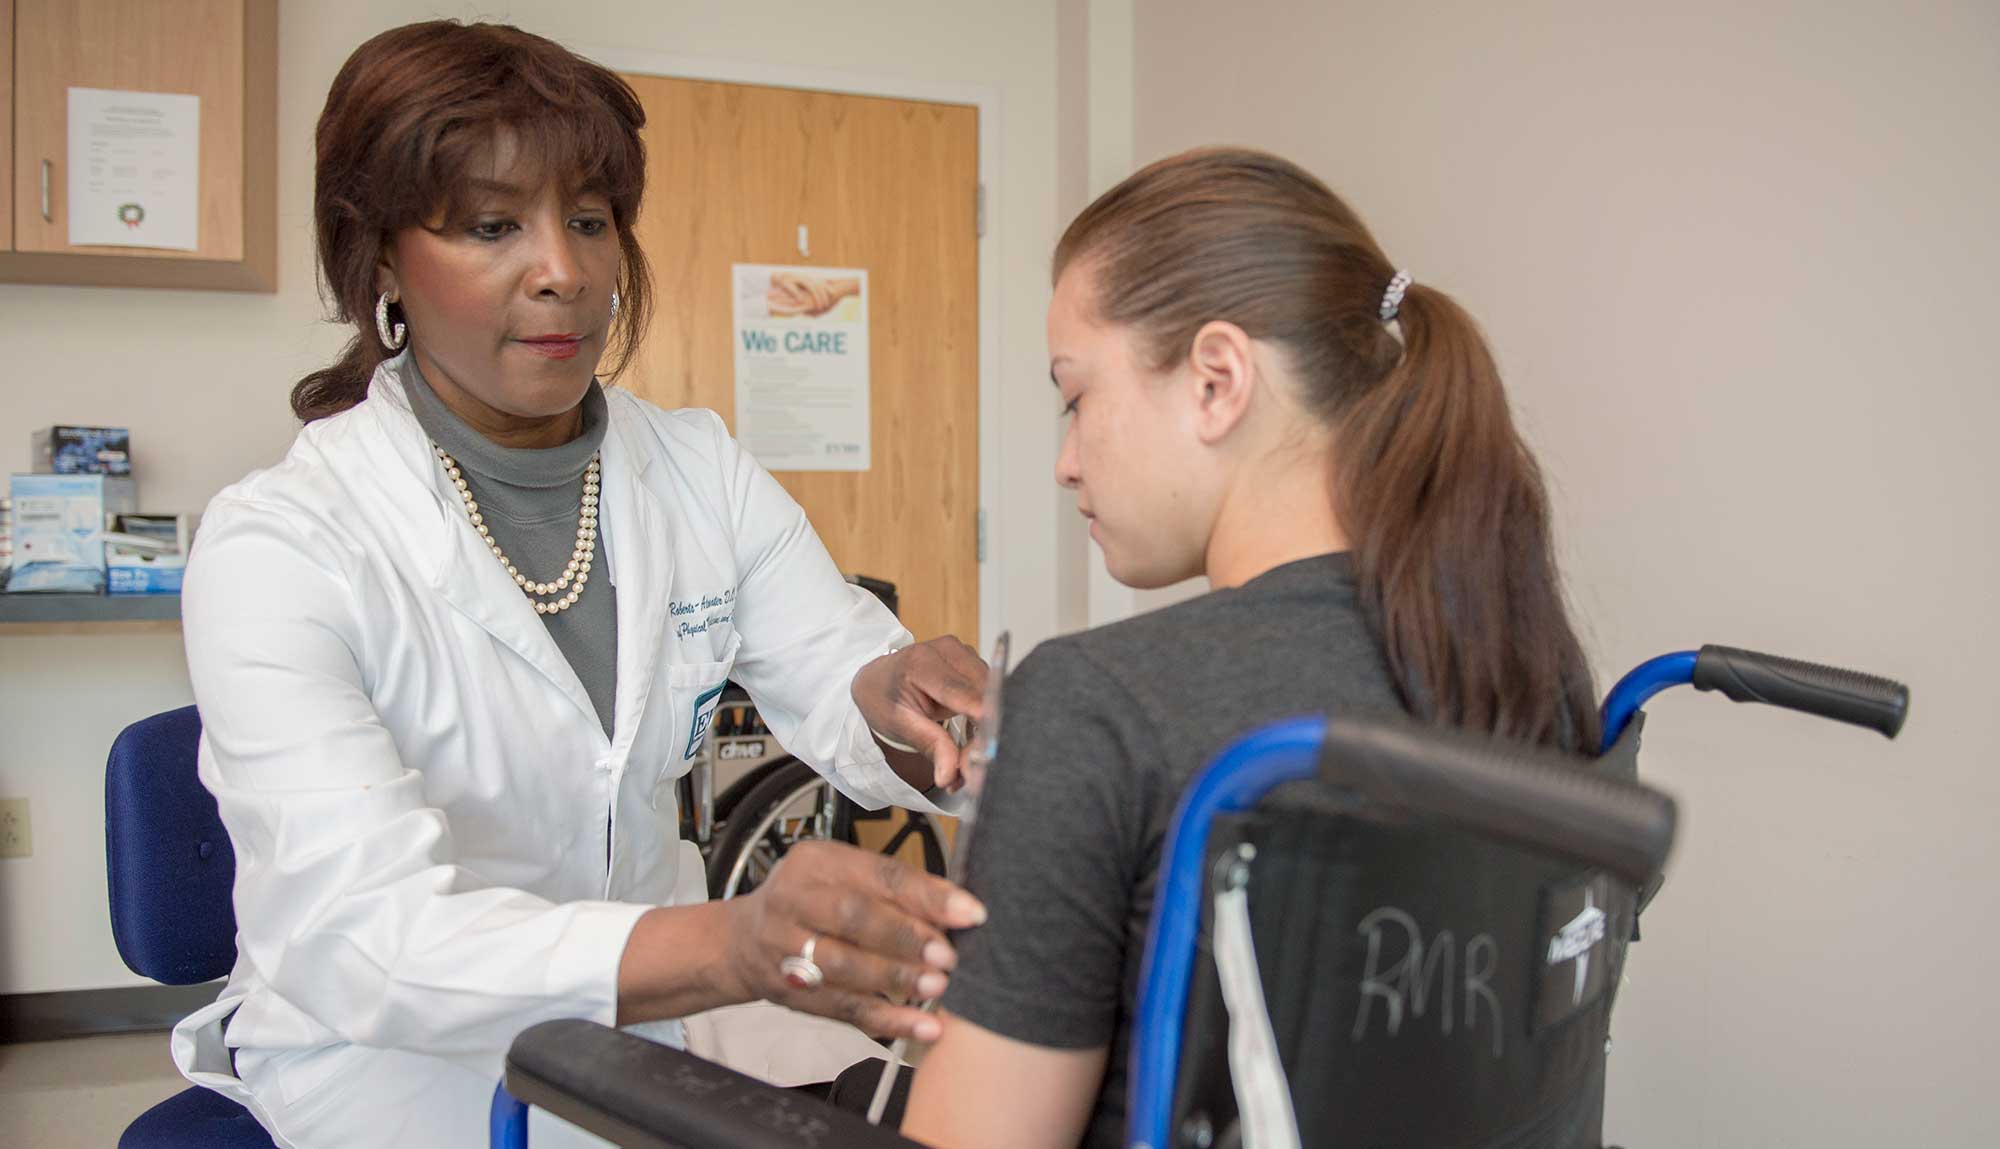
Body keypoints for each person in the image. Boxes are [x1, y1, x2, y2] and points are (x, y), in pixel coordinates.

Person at [168, 21, 990, 1148]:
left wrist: (906, 699)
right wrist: (732, 943)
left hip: (638, 1027)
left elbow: (836, 670)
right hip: (384, 1058)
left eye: (591, 221)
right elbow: (370, 935)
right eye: (494, 225)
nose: (565, 270)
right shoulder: (282, 544)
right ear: (380, 260)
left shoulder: (693, 467)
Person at [900, 147, 1603, 1148]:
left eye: (1074, 396)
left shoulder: (1096, 706)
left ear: (1216, 380)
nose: (1064, 463)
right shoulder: (1524, 665)